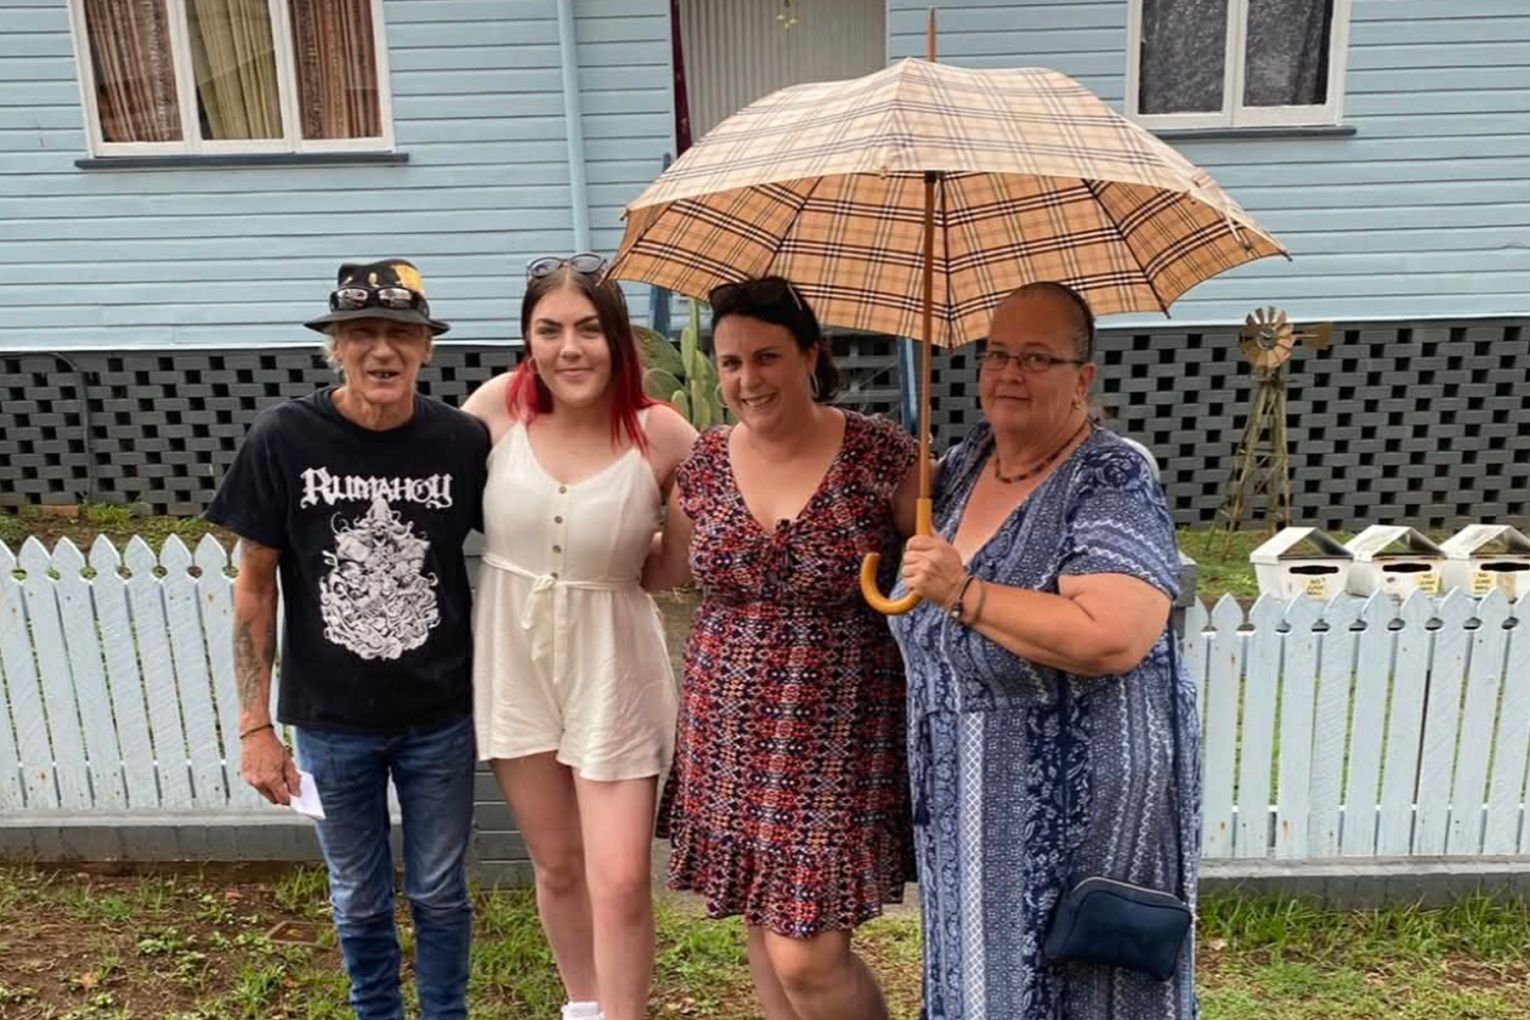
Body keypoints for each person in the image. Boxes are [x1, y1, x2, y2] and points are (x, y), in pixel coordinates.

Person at [890, 281, 1199, 1019]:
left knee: (1080, 996)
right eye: (996, 354)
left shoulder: (1110, 475)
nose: (1008, 374)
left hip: (1075, 810)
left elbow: (1114, 635)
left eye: (1035, 358)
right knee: (981, 990)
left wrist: (965, 593)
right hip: (966, 811)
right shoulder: (968, 463)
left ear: (1082, 379)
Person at [210, 259, 489, 1020]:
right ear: (334, 346)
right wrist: (254, 725)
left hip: (440, 717)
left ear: (427, 347)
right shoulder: (283, 438)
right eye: (360, 333)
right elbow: (255, 584)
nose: (381, 350)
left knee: (439, 890)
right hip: (330, 723)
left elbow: (529, 542)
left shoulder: (461, 442)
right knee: (358, 896)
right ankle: (376, 1013)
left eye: (400, 332)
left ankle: (444, 1014)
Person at [645, 276, 919, 1020]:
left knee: (807, 951)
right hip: (726, 726)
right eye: (730, 363)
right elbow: (663, 566)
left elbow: (953, 558)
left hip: (837, 732)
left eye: (766, 357)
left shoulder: (883, 455)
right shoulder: (701, 463)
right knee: (765, 927)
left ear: (810, 356)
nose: (746, 379)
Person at [462, 255, 696, 1020]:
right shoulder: (497, 409)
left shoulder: (662, 434)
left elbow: (674, 566)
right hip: (513, 656)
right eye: (550, 329)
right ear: (527, 339)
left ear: (618, 339)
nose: (571, 348)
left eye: (590, 329)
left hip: (613, 662)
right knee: (558, 865)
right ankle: (585, 1006)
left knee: (622, 874)